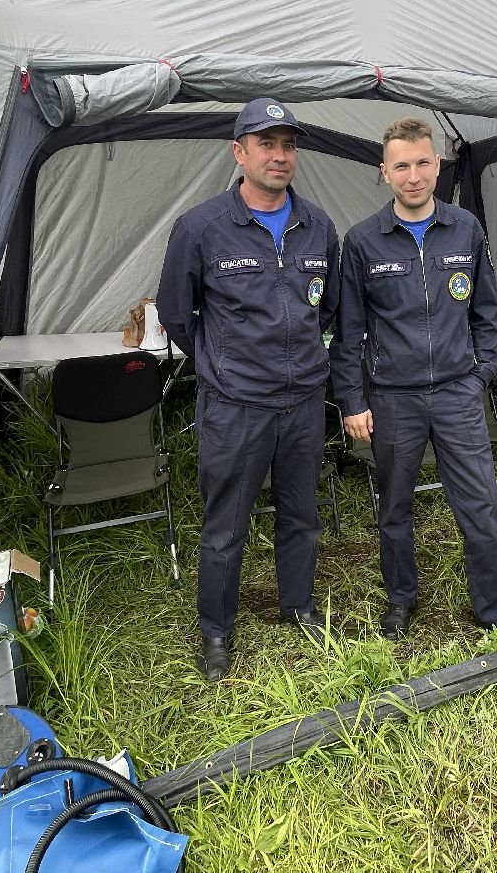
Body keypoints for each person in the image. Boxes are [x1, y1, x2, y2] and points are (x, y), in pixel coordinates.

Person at [157, 97, 340, 680]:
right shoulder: (202, 227)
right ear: (239, 152)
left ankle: (299, 606)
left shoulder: (318, 227)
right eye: (266, 144)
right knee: (226, 526)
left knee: (301, 515)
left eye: (288, 145)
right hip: (235, 408)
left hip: (305, 403)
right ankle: (216, 631)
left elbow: (327, 308)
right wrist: (224, 365)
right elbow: (177, 314)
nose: (279, 156)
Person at [329, 117, 497, 639]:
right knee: (395, 505)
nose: (414, 175)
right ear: (383, 172)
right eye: (401, 165)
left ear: (438, 166)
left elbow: (488, 311)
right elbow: (350, 331)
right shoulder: (363, 241)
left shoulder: (465, 228)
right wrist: (352, 400)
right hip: (393, 400)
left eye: (423, 163)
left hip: (458, 392)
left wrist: (480, 374)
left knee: (479, 503)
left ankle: (492, 608)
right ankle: (401, 600)